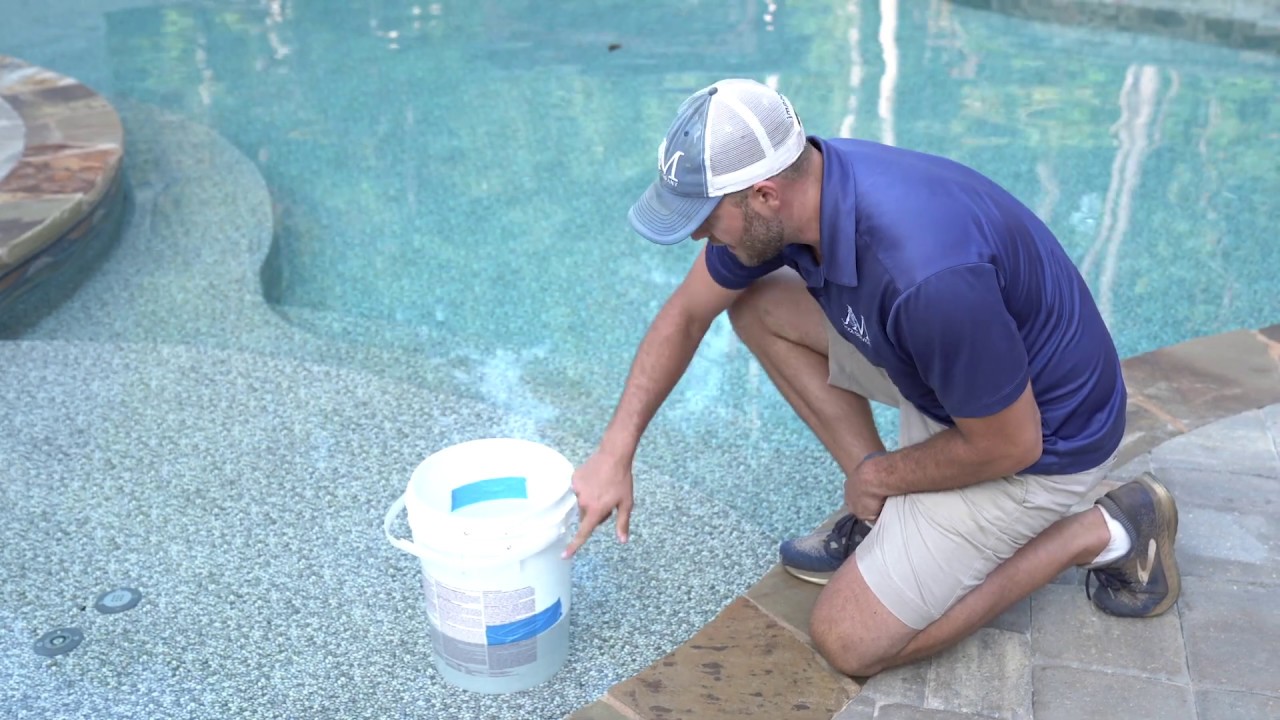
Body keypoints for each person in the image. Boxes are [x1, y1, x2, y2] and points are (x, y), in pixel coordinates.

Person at [562, 78, 1180, 677]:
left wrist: (878, 474)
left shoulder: (925, 273)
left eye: (703, 216)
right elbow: (688, 312)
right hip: (957, 380)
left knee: (849, 640)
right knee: (754, 305)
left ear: (765, 195)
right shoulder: (804, 191)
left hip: (1043, 441)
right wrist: (616, 452)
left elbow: (1011, 443)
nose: (696, 232)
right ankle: (883, 514)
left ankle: (1104, 530)